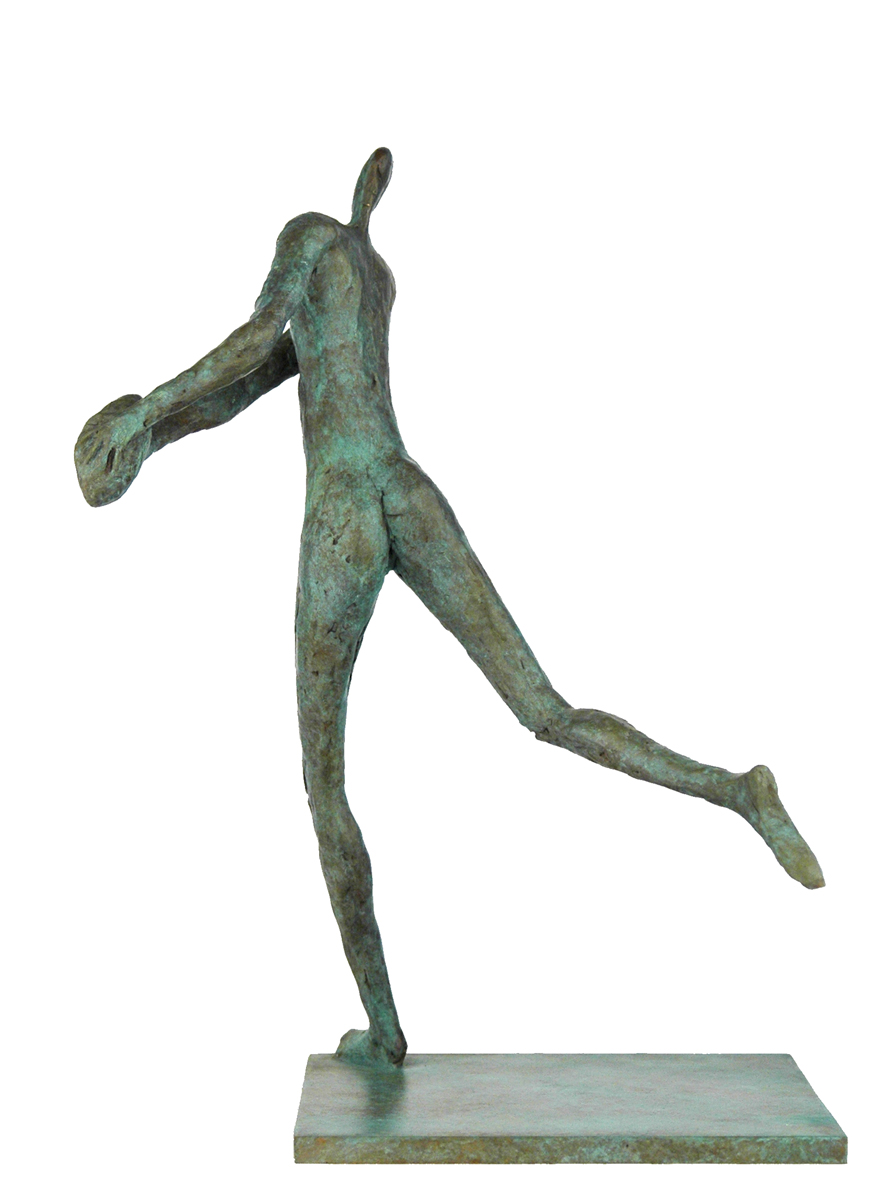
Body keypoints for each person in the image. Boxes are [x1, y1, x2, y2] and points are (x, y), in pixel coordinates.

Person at [75, 148, 824, 1069]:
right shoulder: (372, 275)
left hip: (344, 512)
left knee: (324, 786)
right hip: (407, 489)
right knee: (546, 710)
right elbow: (256, 376)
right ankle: (737, 791)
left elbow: (256, 330)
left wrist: (145, 406)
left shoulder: (309, 239)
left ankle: (385, 1029)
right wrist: (154, 431)